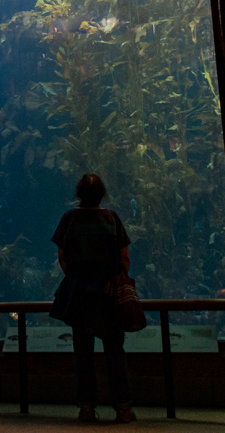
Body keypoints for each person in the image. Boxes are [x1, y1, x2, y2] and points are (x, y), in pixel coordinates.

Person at [50, 173, 135, 423]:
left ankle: (86, 407)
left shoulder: (69, 219)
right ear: (102, 194)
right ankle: (123, 408)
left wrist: (77, 277)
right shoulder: (111, 218)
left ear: (78, 194)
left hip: (79, 294)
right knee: (114, 351)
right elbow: (124, 256)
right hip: (108, 293)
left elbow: (62, 255)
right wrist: (117, 279)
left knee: (83, 352)